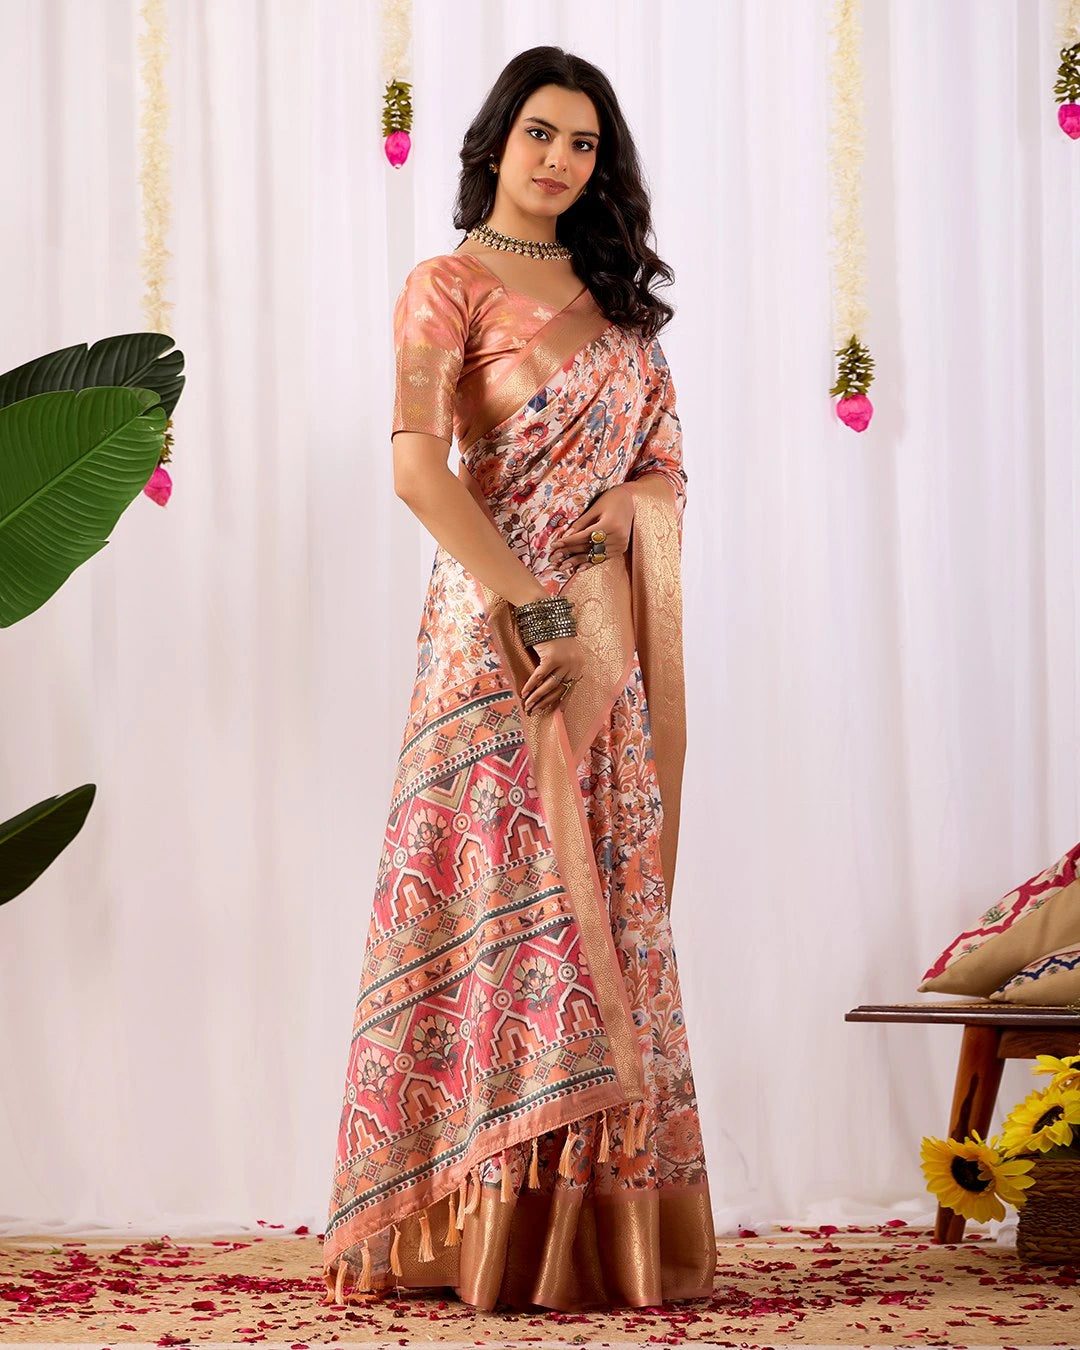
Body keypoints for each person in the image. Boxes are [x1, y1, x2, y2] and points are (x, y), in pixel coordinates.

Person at [323, 44, 716, 1314]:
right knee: (498, 898)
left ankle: (585, 1239)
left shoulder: (622, 310)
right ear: (498, 140)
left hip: (599, 647)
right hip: (491, 637)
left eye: (586, 143)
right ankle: (472, 1229)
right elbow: (416, 468)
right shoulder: (444, 286)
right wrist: (533, 596)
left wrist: (616, 517)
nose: (561, 159)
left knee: (594, 901)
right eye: (542, 133)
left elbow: (669, 475)